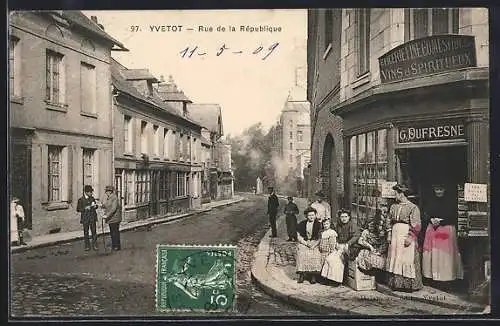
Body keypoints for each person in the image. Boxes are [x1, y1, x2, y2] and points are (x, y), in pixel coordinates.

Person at [422, 184, 464, 283]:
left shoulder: (450, 202)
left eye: (441, 189)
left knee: (445, 254)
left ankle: (447, 277)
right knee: (435, 253)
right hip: (433, 229)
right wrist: (430, 219)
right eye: (437, 189)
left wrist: (441, 221)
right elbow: (425, 214)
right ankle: (434, 276)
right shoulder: (430, 202)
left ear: (444, 190)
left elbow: (454, 216)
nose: (439, 192)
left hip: (446, 229)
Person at [385, 184, 423, 292]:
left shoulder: (413, 207)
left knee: (407, 257)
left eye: (396, 193)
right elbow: (388, 220)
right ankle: (396, 283)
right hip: (395, 233)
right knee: (396, 256)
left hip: (405, 233)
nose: (395, 196)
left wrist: (410, 237)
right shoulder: (393, 207)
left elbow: (416, 225)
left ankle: (408, 285)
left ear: (402, 194)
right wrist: (389, 233)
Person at [321, 209, 360, 284]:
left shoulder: (352, 225)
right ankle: (328, 278)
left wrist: (348, 244)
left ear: (349, 217)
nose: (344, 218)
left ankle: (337, 280)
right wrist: (337, 243)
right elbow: (337, 236)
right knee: (329, 258)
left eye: (346, 216)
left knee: (336, 260)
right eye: (342, 217)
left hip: (351, 247)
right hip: (340, 246)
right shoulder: (339, 225)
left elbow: (356, 236)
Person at [354, 208, 388, 272]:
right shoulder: (366, 232)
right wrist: (370, 246)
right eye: (369, 225)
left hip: (380, 251)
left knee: (382, 261)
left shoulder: (382, 233)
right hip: (368, 250)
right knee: (367, 258)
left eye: (373, 225)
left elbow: (385, 243)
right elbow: (360, 241)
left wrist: (379, 251)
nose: (371, 227)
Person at [296, 206, 323, 284]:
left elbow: (320, 237)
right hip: (305, 242)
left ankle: (313, 275)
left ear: (315, 215)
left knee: (315, 253)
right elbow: (298, 236)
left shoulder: (319, 224)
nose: (311, 217)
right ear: (306, 216)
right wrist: (305, 243)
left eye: (313, 215)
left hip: (315, 243)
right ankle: (301, 274)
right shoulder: (302, 223)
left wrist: (314, 244)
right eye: (309, 215)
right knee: (301, 252)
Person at [77, 185, 99, 251]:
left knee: (94, 232)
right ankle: (87, 246)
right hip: (85, 218)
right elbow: (78, 209)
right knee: (86, 232)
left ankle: (95, 245)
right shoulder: (81, 200)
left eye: (91, 192)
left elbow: (95, 205)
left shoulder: (92, 198)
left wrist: (95, 206)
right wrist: (85, 208)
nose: (91, 193)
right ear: (86, 192)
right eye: (90, 192)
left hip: (92, 218)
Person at [102, 185, 122, 251]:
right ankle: (114, 245)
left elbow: (113, 208)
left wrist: (107, 215)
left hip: (115, 218)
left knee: (115, 232)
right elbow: (108, 205)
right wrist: (101, 205)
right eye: (106, 191)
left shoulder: (114, 198)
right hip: (111, 218)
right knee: (112, 232)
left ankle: (117, 246)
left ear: (110, 191)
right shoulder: (109, 198)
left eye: (107, 191)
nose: (106, 193)